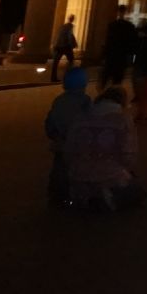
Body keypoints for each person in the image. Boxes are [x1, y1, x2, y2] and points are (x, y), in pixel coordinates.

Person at [65, 86, 145, 212]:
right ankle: (106, 198)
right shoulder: (123, 119)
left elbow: (69, 149)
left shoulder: (81, 117)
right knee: (138, 191)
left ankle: (86, 197)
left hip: (78, 174)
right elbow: (128, 155)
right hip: (109, 176)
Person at [44, 67, 92, 207]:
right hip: (78, 142)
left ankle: (56, 195)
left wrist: (53, 134)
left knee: (59, 169)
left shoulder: (59, 100)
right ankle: (76, 195)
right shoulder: (85, 101)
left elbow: (51, 120)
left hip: (61, 140)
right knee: (77, 169)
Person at [100, 4, 137, 89]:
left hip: (112, 55)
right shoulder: (129, 26)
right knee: (117, 79)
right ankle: (113, 96)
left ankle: (103, 97)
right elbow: (132, 42)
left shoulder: (112, 25)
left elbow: (107, 41)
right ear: (125, 12)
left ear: (118, 12)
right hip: (122, 56)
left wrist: (104, 55)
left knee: (106, 78)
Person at [50, 14, 77, 83]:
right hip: (65, 46)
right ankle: (67, 76)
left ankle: (53, 78)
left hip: (59, 46)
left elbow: (58, 35)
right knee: (71, 61)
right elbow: (69, 36)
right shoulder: (70, 26)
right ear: (73, 19)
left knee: (55, 63)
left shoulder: (63, 26)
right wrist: (71, 44)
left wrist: (55, 45)